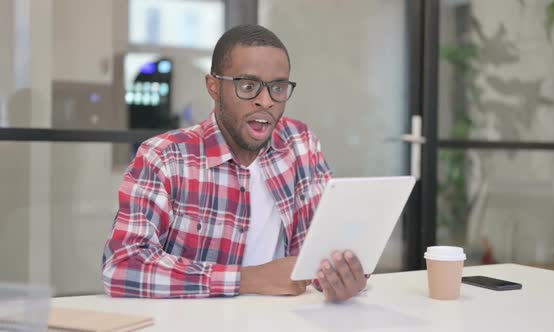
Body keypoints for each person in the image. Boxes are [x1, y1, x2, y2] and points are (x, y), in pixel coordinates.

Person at [102, 25, 367, 302]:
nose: (265, 101)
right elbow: (121, 266)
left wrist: (342, 277)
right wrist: (248, 279)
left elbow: (322, 251)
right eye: (248, 86)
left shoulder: (300, 144)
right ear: (214, 87)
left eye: (277, 87)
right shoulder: (164, 157)